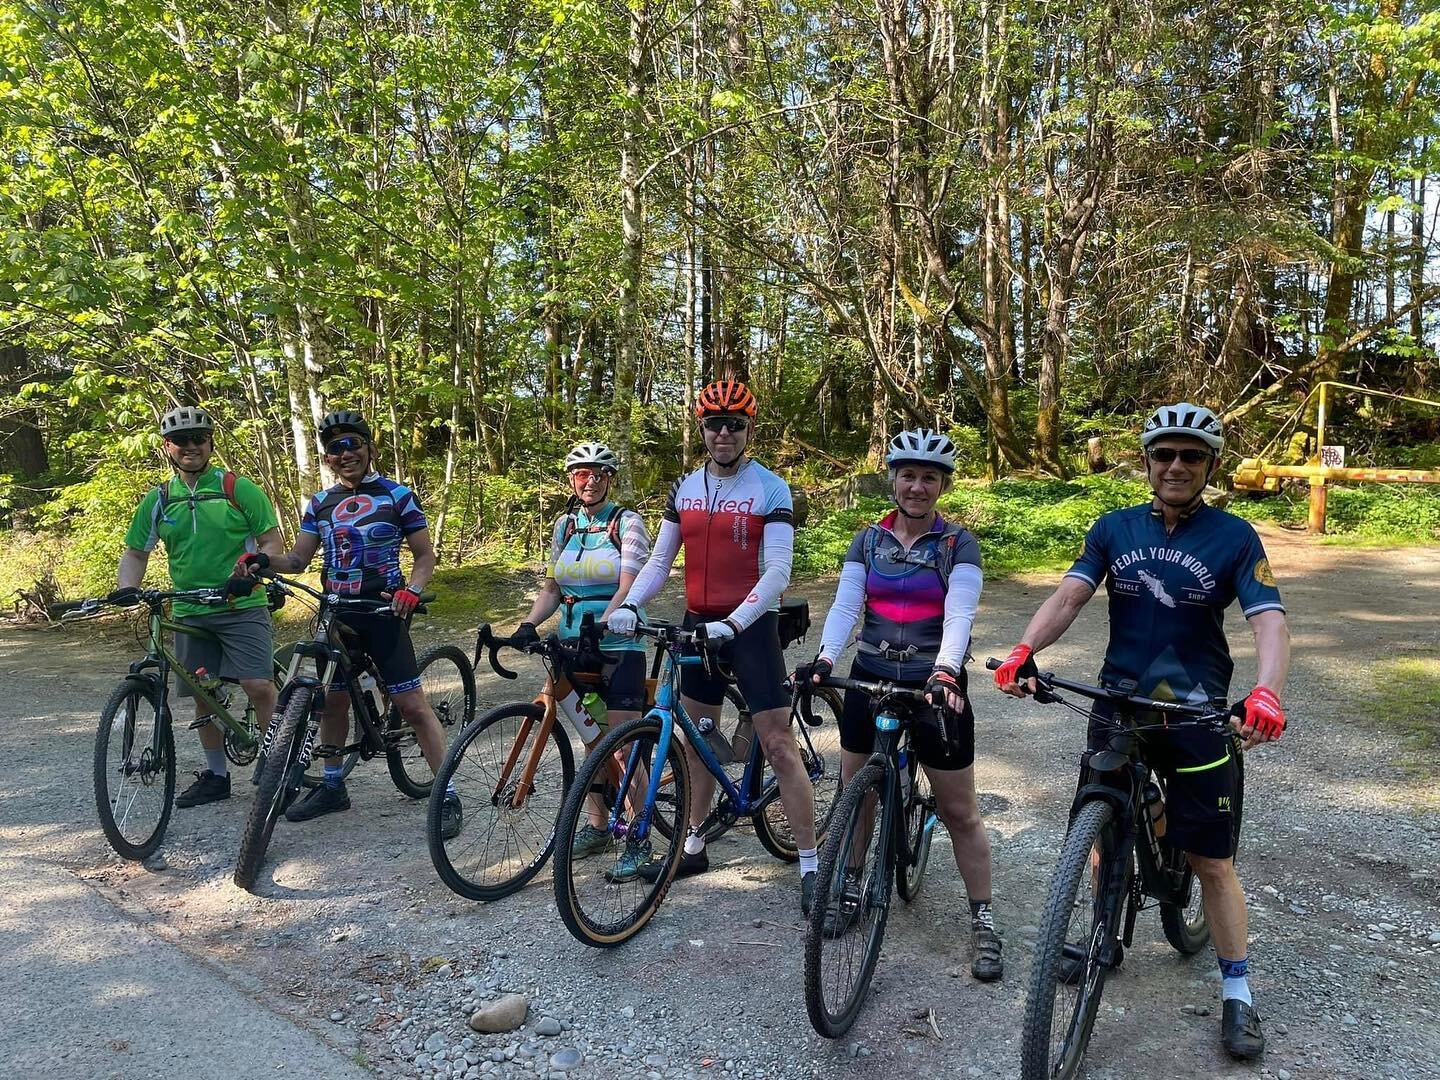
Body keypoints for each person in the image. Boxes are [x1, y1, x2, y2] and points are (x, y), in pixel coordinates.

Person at [993, 402, 1289, 1060]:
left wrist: (1267, 689)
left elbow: (1268, 620)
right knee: (1098, 824)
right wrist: (1023, 650)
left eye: (1190, 456)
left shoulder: (1235, 536)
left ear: (1210, 465)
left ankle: (1238, 994)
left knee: (1212, 863)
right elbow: (1070, 594)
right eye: (1164, 455)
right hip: (1119, 703)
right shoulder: (1114, 528)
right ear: (1147, 463)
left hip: (1197, 715)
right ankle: (1104, 933)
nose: (1176, 466)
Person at [797, 428, 1002, 980]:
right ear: (892, 480)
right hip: (870, 677)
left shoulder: (958, 545)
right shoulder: (868, 541)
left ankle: (983, 917)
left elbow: (960, 615)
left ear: (942, 485)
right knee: (854, 793)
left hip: (934, 684)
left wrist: (945, 669)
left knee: (959, 811)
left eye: (928, 478)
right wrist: (823, 658)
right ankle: (853, 882)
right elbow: (845, 608)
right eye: (908, 476)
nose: (917, 486)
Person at [609, 379, 818, 909]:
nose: (724, 432)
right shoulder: (684, 487)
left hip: (752, 627)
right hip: (697, 621)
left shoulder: (770, 487)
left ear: (749, 430)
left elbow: (776, 573)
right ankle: (694, 840)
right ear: (700, 428)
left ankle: (812, 864)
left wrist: (736, 623)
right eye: (714, 423)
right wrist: (630, 604)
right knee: (699, 732)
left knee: (775, 744)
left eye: (735, 424)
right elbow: (659, 561)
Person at [238, 410, 462, 839]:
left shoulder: (398, 495)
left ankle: (447, 792)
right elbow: (299, 560)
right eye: (335, 448)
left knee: (413, 707)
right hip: (337, 615)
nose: (345, 454)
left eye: (353, 444)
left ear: (369, 448)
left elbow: (425, 555)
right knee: (333, 702)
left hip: (384, 612)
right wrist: (265, 561)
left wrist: (412, 589)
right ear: (327, 458)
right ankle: (334, 784)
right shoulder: (320, 504)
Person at [117, 406, 284, 808]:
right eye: (181, 440)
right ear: (167, 447)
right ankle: (216, 776)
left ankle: (280, 766)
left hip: (240, 602)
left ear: (210, 443)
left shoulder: (236, 488)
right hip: (190, 610)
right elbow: (137, 552)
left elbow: (271, 541)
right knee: (203, 694)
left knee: (257, 684)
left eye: (198, 439)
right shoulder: (159, 498)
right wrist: (126, 588)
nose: (190, 446)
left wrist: (255, 570)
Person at [512, 442, 651, 856]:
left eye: (598, 474)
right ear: (571, 480)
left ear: (609, 478)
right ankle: (598, 826)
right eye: (581, 474)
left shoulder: (627, 523)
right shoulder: (564, 526)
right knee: (592, 739)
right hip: (573, 646)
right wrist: (529, 623)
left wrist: (605, 622)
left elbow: (629, 587)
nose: (589, 481)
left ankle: (641, 837)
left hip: (619, 644)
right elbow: (553, 588)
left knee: (624, 745)